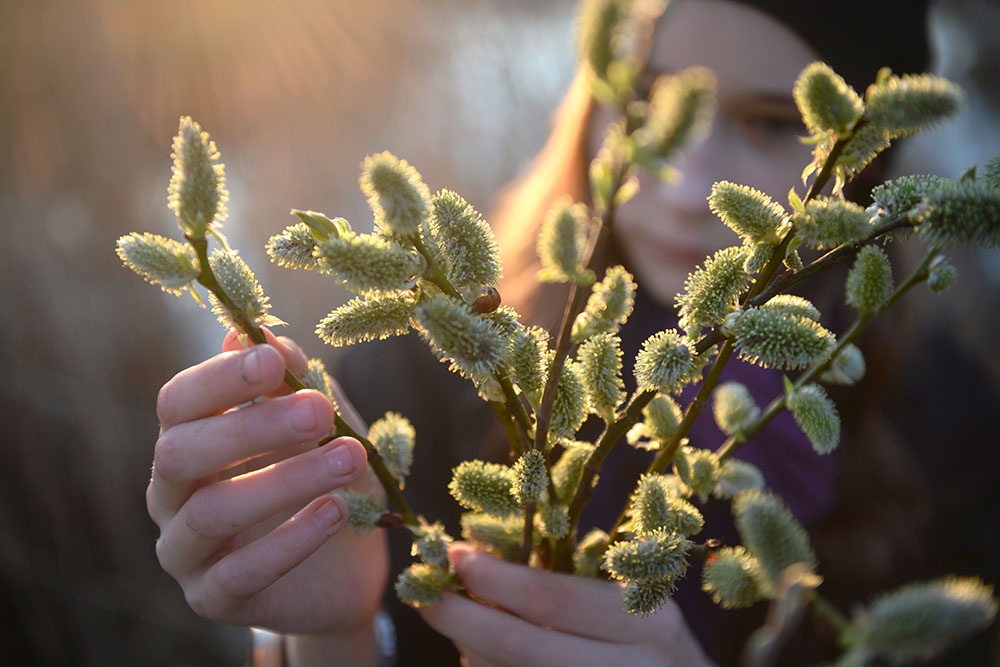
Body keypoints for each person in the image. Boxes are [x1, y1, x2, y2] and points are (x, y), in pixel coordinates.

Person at [147, 1, 999, 665]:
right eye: (648, 104)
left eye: (774, 123)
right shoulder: (435, 367)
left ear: (867, 165)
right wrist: (333, 635)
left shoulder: (954, 434)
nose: (683, 182)